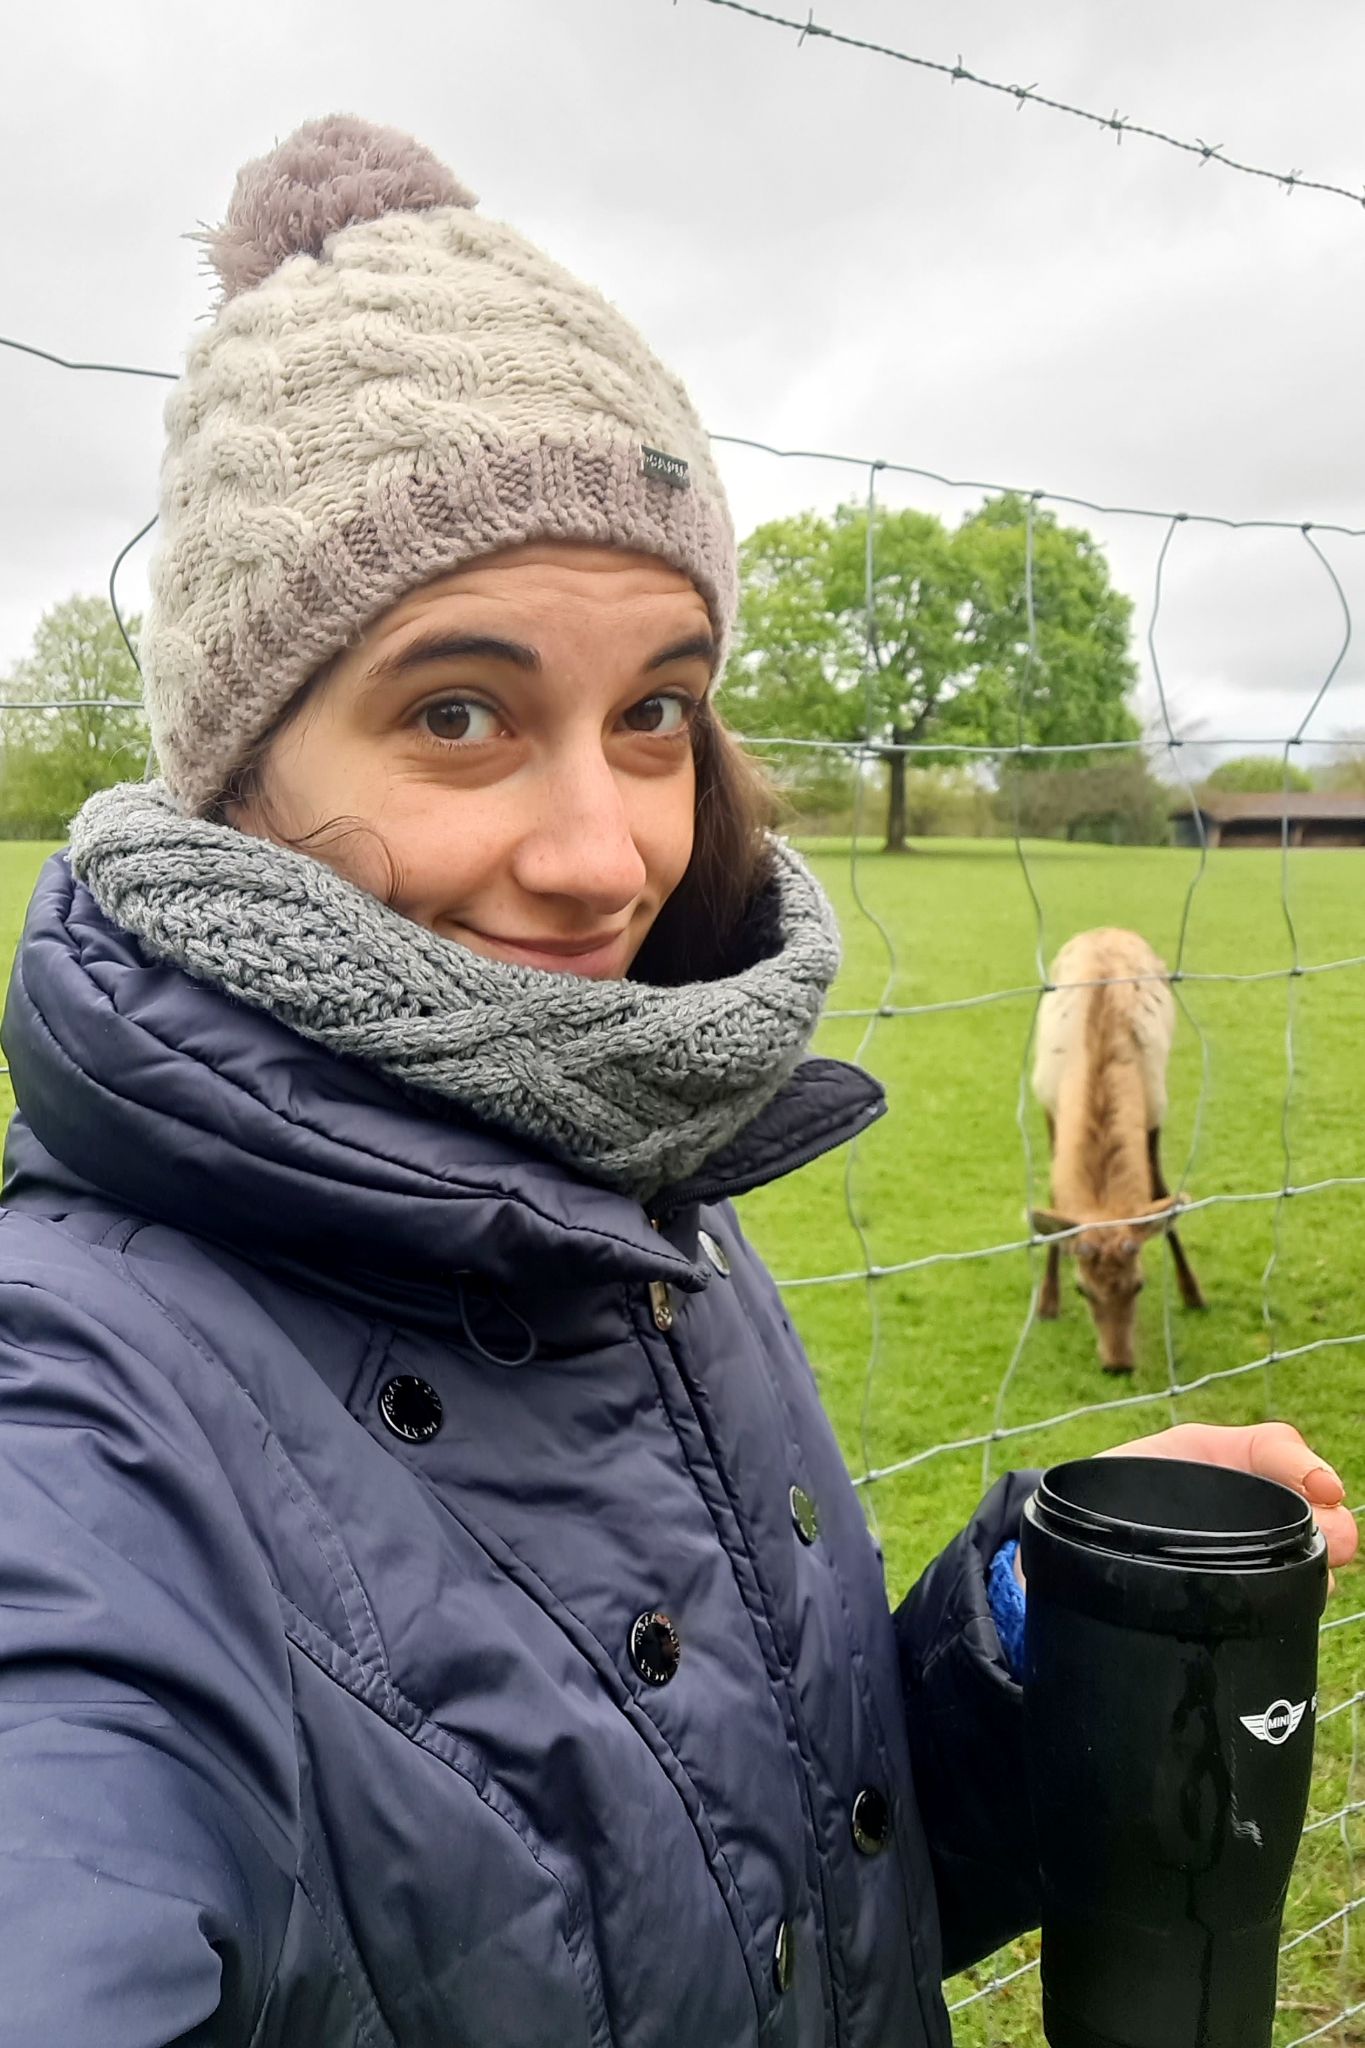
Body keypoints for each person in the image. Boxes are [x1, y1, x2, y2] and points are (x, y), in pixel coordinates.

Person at [0, 116, 1353, 2048]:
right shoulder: (72, 1423)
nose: (605, 855)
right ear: (235, 772)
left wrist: (1021, 1634)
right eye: (456, 712)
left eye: (654, 711)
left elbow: (756, 1901)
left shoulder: (644, 1188)